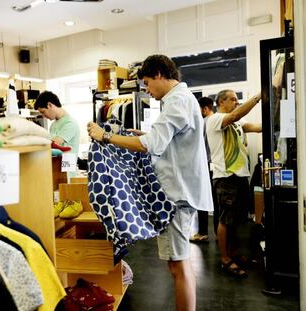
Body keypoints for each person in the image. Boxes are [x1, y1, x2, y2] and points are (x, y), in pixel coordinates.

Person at [87, 54, 213, 311]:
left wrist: (106, 136)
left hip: (177, 195)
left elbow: (152, 145)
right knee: (180, 263)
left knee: (178, 265)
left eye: (146, 82)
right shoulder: (181, 100)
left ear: (158, 74)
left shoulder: (177, 100)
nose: (147, 89)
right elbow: (168, 139)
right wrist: (144, 134)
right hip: (181, 191)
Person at [205, 89, 261, 278]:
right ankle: (225, 258)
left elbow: (256, 127)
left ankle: (234, 253)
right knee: (225, 220)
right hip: (225, 177)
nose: (236, 102)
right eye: (233, 99)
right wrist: (259, 96)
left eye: (237, 100)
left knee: (237, 220)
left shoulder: (237, 123)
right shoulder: (214, 120)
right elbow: (237, 114)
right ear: (221, 102)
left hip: (240, 176)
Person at [190, 97, 215, 242]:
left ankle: (203, 232)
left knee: (202, 199)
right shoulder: (218, 120)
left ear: (205, 109)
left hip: (205, 164)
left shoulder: (204, 122)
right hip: (216, 165)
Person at [35, 90, 80, 156]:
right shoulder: (53, 125)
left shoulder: (70, 123)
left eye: (43, 112)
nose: (43, 116)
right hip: (56, 163)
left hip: (67, 164)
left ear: (50, 105)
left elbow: (54, 144)